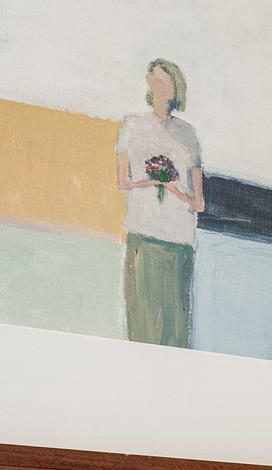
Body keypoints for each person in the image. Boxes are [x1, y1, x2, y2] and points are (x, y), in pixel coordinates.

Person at [114, 59, 204, 347]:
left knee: (176, 333)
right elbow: (122, 182)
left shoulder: (188, 135)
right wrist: (152, 181)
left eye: (165, 82)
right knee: (141, 327)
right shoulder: (132, 126)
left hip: (179, 242)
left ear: (176, 88)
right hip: (142, 234)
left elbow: (199, 203)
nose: (159, 87)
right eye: (154, 81)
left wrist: (171, 186)